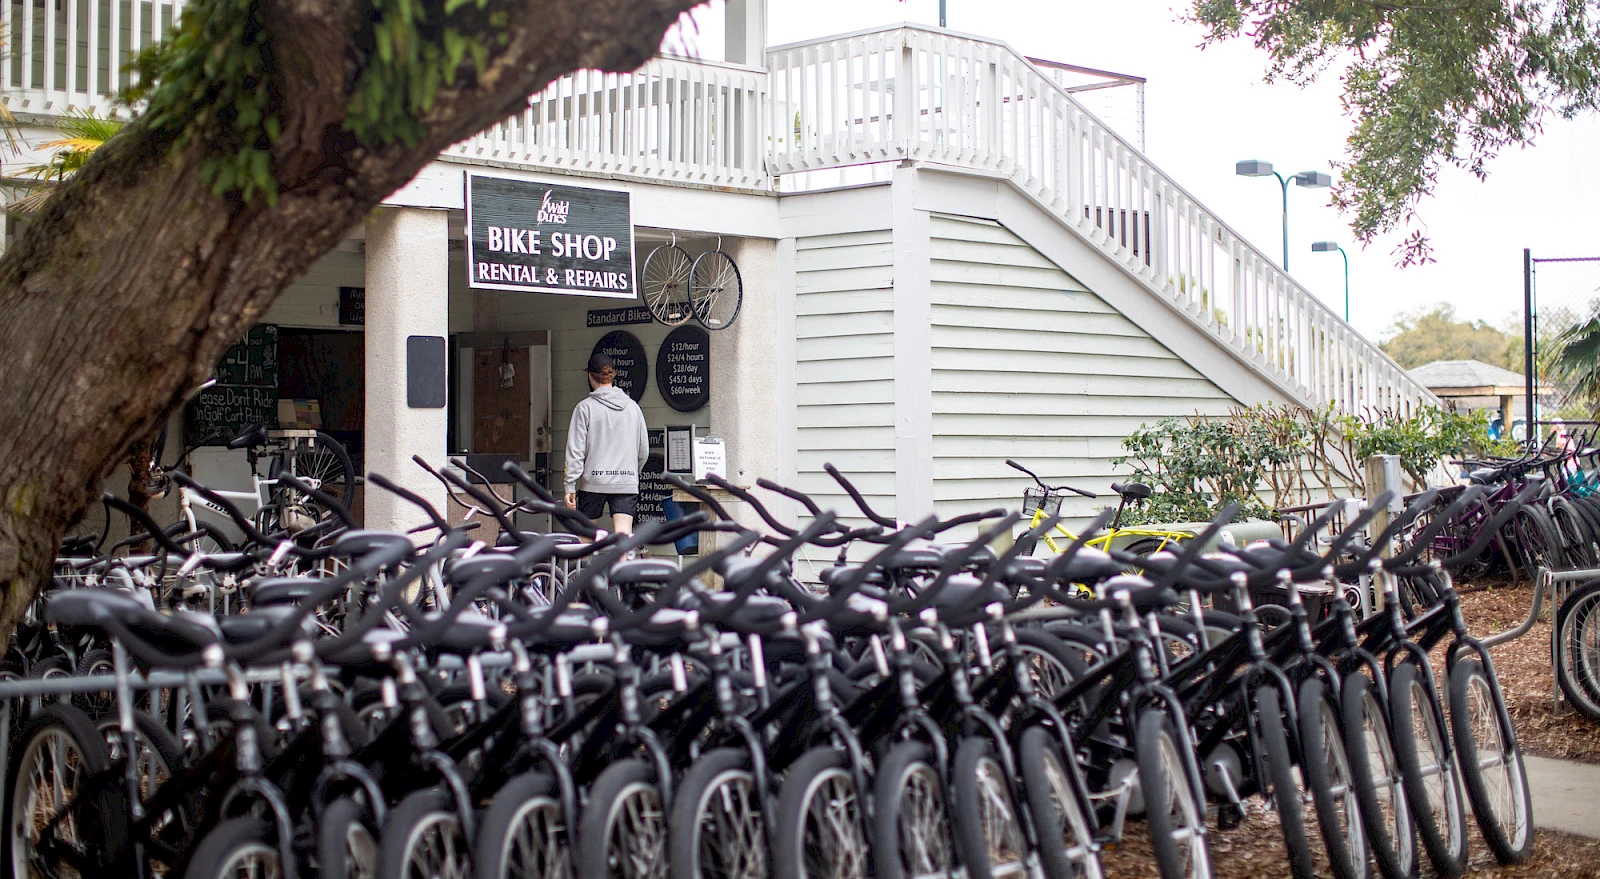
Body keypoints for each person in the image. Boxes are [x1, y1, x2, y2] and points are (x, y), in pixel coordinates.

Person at [564, 353, 649, 535]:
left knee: (585, 536)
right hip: (626, 480)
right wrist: (632, 472)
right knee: (623, 535)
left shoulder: (584, 408)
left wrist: (570, 484)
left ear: (590, 375)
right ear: (613, 375)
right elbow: (644, 450)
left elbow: (575, 451)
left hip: (593, 481)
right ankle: (621, 565)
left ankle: (586, 565)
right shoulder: (633, 407)